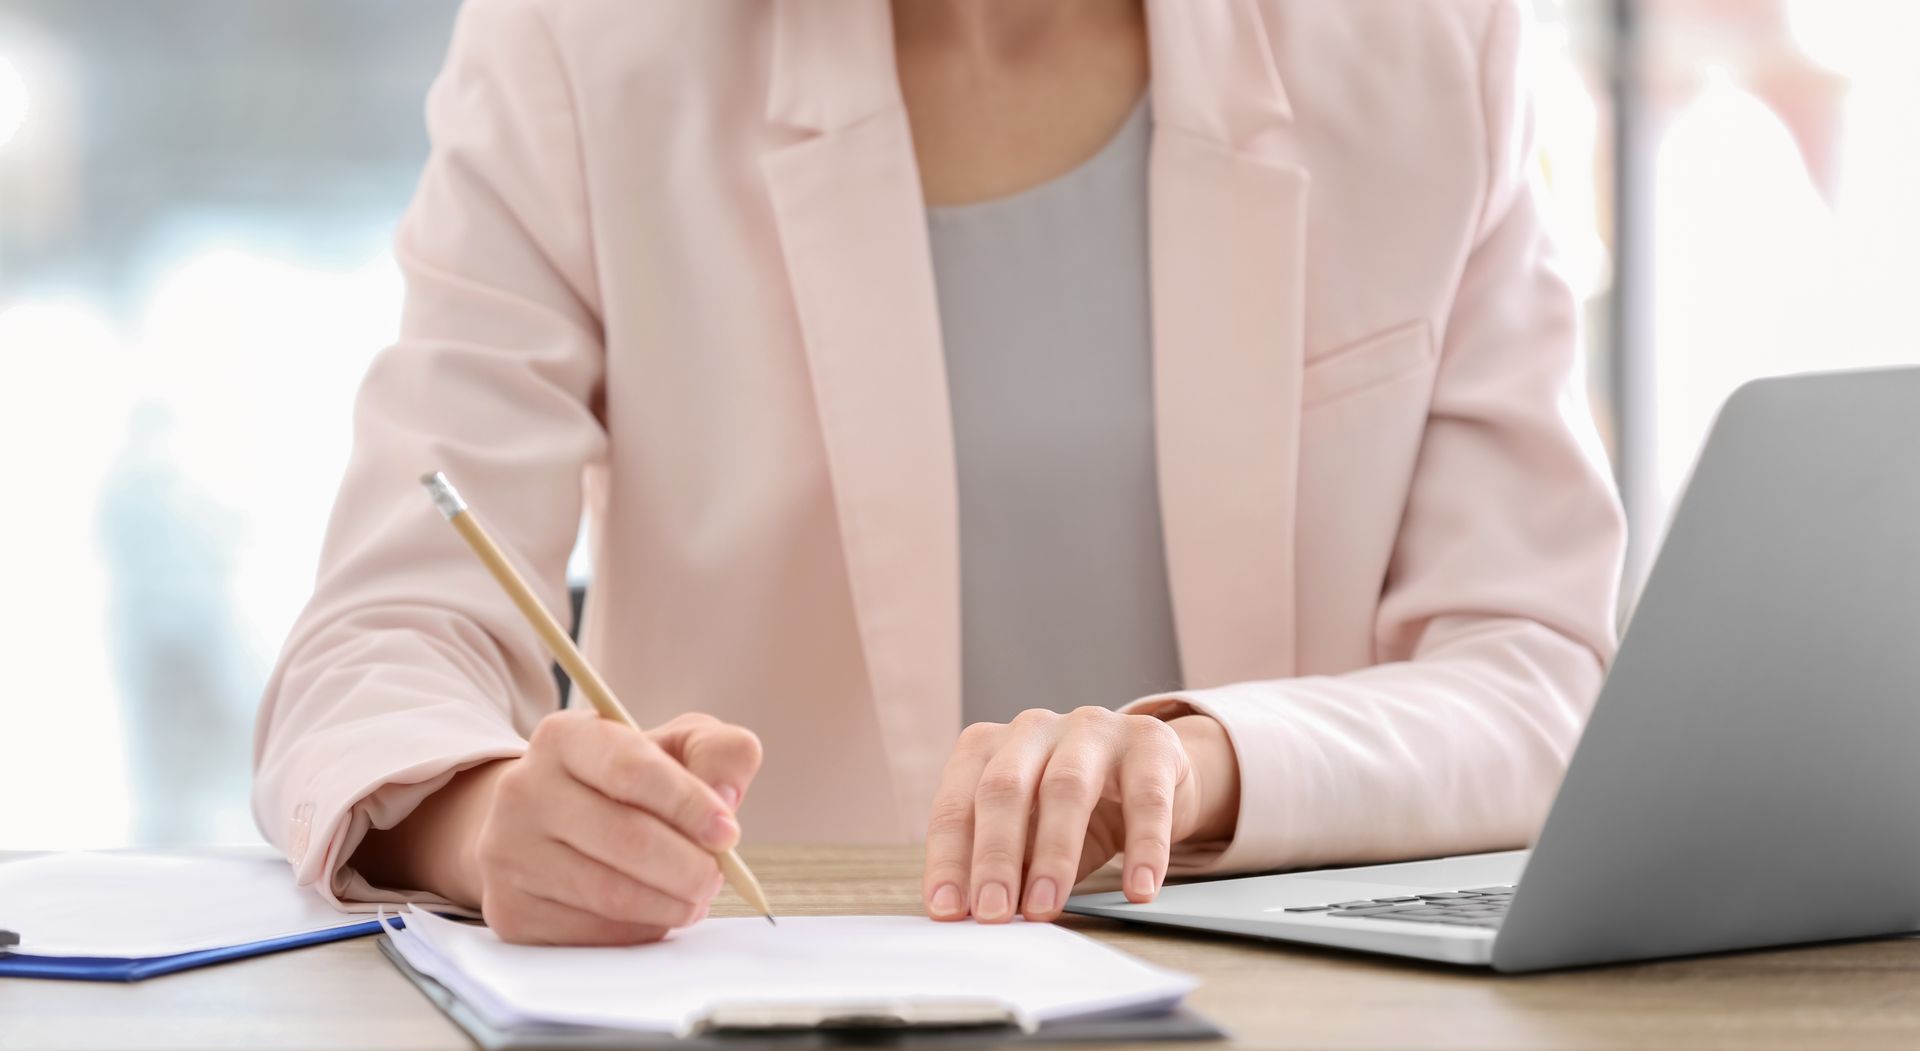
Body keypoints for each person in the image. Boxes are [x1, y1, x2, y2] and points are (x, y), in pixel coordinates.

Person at [254, 0, 1626, 944]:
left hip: (1296, 1037)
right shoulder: (584, 45)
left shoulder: (1430, 42)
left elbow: (1541, 681)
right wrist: (491, 825)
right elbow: (378, 645)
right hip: (775, 1030)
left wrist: (1197, 765)